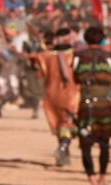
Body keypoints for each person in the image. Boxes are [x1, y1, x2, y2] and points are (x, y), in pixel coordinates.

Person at [72, 25, 111, 185]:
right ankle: (102, 178)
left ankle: (93, 183)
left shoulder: (78, 57)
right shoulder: (109, 57)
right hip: (104, 106)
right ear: (102, 40)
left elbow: (75, 78)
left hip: (86, 105)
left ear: (86, 40)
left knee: (85, 146)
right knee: (104, 144)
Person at [28, 28, 80, 167]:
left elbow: (36, 69)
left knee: (60, 124)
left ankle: (64, 155)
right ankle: (63, 148)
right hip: (71, 93)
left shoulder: (46, 55)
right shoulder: (76, 55)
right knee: (67, 123)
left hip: (51, 94)